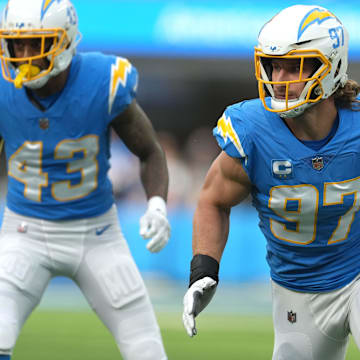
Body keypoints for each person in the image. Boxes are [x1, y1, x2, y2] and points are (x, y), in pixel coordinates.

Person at [183, 4, 360, 360]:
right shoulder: (252, 130)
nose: (278, 78)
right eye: (273, 65)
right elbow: (213, 200)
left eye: (292, 66)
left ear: (330, 66)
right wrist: (204, 268)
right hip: (295, 291)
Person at [0, 0, 170, 359]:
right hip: (24, 232)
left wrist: (157, 205)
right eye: (18, 43)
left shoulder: (102, 80)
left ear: (64, 42)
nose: (25, 53)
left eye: (37, 42)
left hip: (96, 235)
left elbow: (150, 151)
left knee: (147, 350)